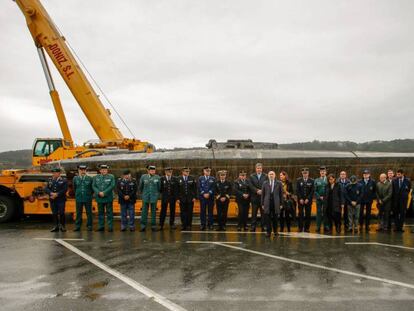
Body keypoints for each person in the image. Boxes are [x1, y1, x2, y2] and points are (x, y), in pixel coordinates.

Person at [93, 164, 116, 232]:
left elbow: (112, 186)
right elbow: (94, 186)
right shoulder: (96, 177)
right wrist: (98, 192)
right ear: (100, 170)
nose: (104, 171)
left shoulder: (111, 177)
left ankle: (110, 227)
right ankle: (101, 226)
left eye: (105, 170)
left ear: (107, 170)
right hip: (99, 198)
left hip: (108, 197)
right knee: (100, 213)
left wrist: (104, 192)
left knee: (109, 213)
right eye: (102, 170)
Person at [45, 167, 68, 232]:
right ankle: (56, 226)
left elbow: (65, 189)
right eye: (53, 173)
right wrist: (51, 193)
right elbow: (46, 188)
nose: (54, 174)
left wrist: (57, 194)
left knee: (61, 213)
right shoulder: (50, 180)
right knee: (54, 213)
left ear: (59, 173)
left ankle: (62, 226)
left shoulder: (64, 180)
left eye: (56, 172)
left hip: (61, 199)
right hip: (52, 199)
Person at [139, 165, 161, 232]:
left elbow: (159, 188)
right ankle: (143, 226)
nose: (153, 171)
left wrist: (157, 195)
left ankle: (153, 226)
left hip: (154, 197)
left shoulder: (157, 177)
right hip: (145, 197)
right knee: (144, 212)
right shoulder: (143, 177)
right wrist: (143, 195)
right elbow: (141, 187)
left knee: (153, 212)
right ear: (148, 171)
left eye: (154, 170)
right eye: (151, 170)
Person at [261, 171, 283, 237]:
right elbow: (263, 194)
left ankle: (275, 231)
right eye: (270, 174)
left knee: (275, 218)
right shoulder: (265, 183)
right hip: (267, 203)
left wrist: (281, 204)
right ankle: (268, 232)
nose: (271, 175)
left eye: (272, 174)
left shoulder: (279, 183)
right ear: (268, 175)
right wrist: (262, 204)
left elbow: (281, 194)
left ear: (275, 175)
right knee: (267, 218)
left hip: (276, 203)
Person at [73, 165, 93, 232]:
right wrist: (77, 194)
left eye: (84, 170)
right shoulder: (75, 178)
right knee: (78, 212)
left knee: (89, 212)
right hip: (79, 198)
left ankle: (89, 225)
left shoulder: (89, 178)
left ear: (86, 170)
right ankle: (78, 226)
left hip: (87, 198)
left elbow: (92, 189)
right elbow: (74, 188)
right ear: (78, 170)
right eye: (81, 170)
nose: (82, 171)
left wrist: (89, 195)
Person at [249, 163, 267, 232]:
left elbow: (267, 184)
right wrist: (257, 190)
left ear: (262, 169)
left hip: (263, 198)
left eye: (260, 168)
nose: (259, 169)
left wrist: (262, 190)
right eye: (257, 168)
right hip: (254, 197)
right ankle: (253, 227)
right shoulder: (251, 176)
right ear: (255, 169)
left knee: (263, 213)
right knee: (254, 213)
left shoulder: (265, 176)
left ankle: (263, 226)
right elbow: (250, 185)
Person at [296, 168, 314, 233]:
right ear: (302, 173)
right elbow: (297, 190)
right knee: (300, 214)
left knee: (308, 214)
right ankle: (300, 228)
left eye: (306, 173)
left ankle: (307, 228)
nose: (305, 174)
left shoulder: (312, 181)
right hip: (300, 200)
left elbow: (312, 191)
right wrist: (300, 198)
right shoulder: (298, 180)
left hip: (308, 201)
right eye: (304, 173)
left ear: (308, 173)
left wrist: (308, 199)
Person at [314, 166, 328, 233]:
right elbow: (315, 190)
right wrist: (319, 197)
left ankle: (326, 226)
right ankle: (318, 226)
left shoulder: (328, 179)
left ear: (326, 172)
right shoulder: (316, 180)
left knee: (326, 212)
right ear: (320, 172)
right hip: (319, 199)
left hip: (327, 199)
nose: (322, 172)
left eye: (324, 171)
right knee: (318, 213)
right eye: (321, 171)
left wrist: (325, 197)